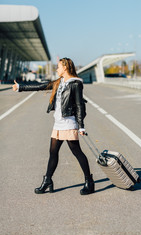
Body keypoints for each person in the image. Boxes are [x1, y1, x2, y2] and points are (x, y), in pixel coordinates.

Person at [12, 58, 95, 195]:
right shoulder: (58, 82)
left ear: (65, 68)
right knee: (53, 153)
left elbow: (80, 105)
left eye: (58, 67)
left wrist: (81, 126)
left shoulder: (75, 84)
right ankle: (47, 181)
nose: (56, 69)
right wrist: (20, 87)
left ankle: (89, 182)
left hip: (69, 123)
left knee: (76, 152)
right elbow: (41, 86)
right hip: (58, 123)